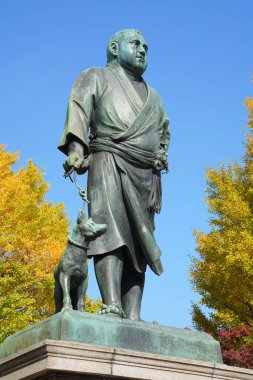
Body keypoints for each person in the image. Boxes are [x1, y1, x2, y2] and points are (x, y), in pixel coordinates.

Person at [58, 29, 170, 321]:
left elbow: (163, 133)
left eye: (146, 46)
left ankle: (133, 315)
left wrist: (161, 154)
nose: (143, 50)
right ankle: (111, 304)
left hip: (145, 173)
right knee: (109, 232)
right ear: (113, 47)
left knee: (139, 243)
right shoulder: (95, 76)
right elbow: (79, 111)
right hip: (106, 160)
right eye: (135, 44)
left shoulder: (155, 96)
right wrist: (76, 149)